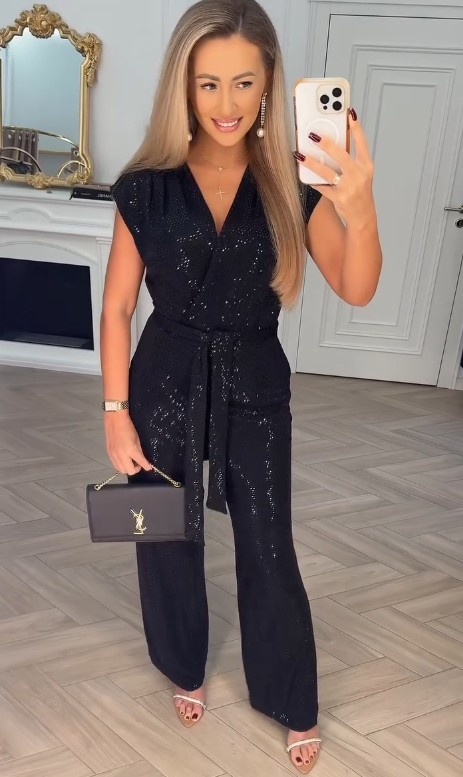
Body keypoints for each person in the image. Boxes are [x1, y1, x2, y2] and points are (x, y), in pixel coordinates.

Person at [101, 0, 382, 772]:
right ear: (183, 87)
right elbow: (118, 306)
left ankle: (290, 695)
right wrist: (115, 411)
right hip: (161, 380)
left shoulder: (291, 182)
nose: (226, 104)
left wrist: (359, 209)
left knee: (267, 545)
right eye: (208, 83)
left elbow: (356, 287)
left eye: (244, 83)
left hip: (255, 385)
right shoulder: (145, 186)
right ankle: (181, 663)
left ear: (268, 86)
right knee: (162, 535)